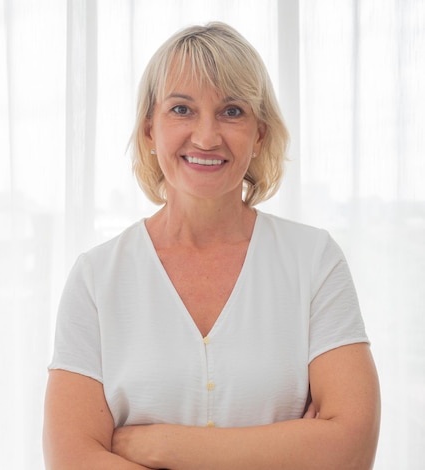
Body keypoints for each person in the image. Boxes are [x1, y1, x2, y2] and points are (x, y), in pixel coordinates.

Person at [43, 22, 380, 469]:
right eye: (181, 109)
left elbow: (350, 451)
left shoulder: (314, 261)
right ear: (149, 130)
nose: (205, 137)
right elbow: (72, 461)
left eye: (232, 111)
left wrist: (159, 446)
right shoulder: (96, 278)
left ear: (260, 134)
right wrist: (293, 448)